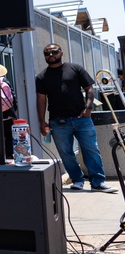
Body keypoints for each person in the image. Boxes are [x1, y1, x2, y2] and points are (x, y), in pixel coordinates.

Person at [36, 43, 117, 193]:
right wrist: (42, 121)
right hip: (58, 121)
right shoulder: (41, 77)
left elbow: (89, 88)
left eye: (54, 51)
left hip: (82, 119)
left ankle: (98, 182)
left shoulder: (75, 68)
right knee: (66, 154)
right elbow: (41, 99)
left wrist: (88, 107)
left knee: (91, 150)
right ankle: (77, 180)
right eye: (47, 53)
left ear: (61, 52)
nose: (51, 55)